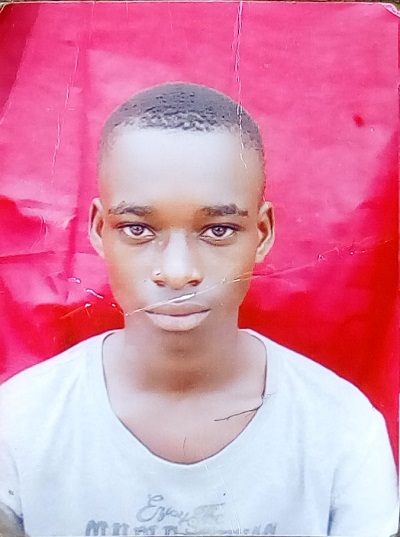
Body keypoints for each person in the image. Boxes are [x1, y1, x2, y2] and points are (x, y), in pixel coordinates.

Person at [0, 82, 397, 537]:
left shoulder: (342, 431)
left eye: (218, 230)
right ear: (98, 229)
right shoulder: (19, 423)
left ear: (263, 233)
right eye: (137, 229)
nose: (178, 272)